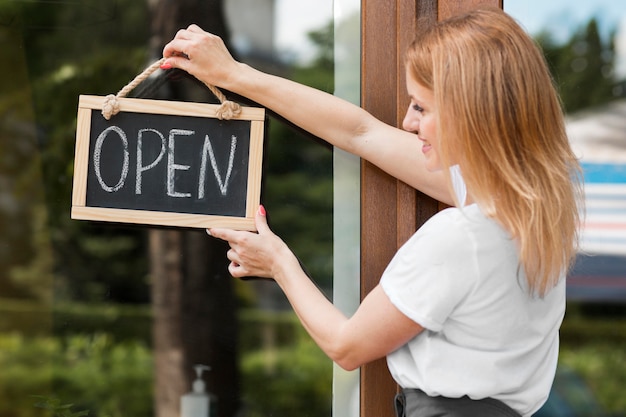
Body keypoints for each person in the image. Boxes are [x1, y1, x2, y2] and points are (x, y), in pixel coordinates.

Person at [161, 6, 583, 417]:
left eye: (421, 107)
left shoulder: (462, 236)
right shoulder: (535, 209)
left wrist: (278, 263)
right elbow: (360, 132)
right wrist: (234, 75)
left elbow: (347, 346)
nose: (407, 122)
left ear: (469, 113)